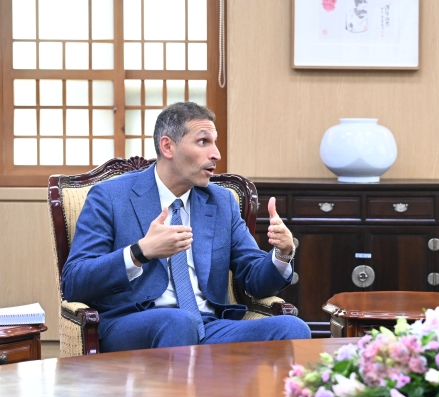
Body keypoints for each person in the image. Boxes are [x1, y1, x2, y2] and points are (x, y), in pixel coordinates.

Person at [62, 102, 310, 352]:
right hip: (132, 324)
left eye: (215, 142)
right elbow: (74, 281)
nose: (216, 154)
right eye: (203, 142)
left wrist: (282, 254)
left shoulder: (221, 202)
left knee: (293, 328)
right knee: (179, 322)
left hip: (209, 326)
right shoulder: (110, 197)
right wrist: (140, 252)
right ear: (168, 146)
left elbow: (254, 279)